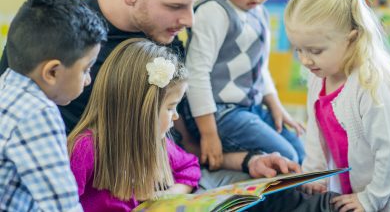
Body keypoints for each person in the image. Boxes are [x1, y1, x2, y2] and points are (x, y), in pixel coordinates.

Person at [68, 38, 339, 212]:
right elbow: (60, 204)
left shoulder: (158, 144)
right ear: (142, 108)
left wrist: (171, 195)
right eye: (170, 108)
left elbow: (189, 168)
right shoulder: (87, 149)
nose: (175, 118)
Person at [0, 0, 205, 134]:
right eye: (175, 6)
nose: (189, 20)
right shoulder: (52, 34)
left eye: (191, 4)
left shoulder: (167, 36)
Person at [182, 0, 305, 171]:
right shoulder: (214, 11)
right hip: (217, 112)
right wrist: (209, 134)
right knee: (287, 157)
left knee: (300, 150)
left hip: (250, 108)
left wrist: (276, 106)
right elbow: (196, 74)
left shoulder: (258, 11)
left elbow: (259, 67)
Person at [284, 0, 390, 212]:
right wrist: (314, 175)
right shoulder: (319, 74)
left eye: (315, 50)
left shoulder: (370, 82)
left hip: (387, 198)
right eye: (298, 49)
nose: (305, 60)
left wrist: (370, 199)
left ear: (352, 37)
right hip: (353, 192)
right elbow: (316, 133)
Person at [0, 0, 107, 211]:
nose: (88, 80)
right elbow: (63, 206)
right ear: (52, 72)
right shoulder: (37, 113)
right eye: (86, 69)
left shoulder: (7, 86)